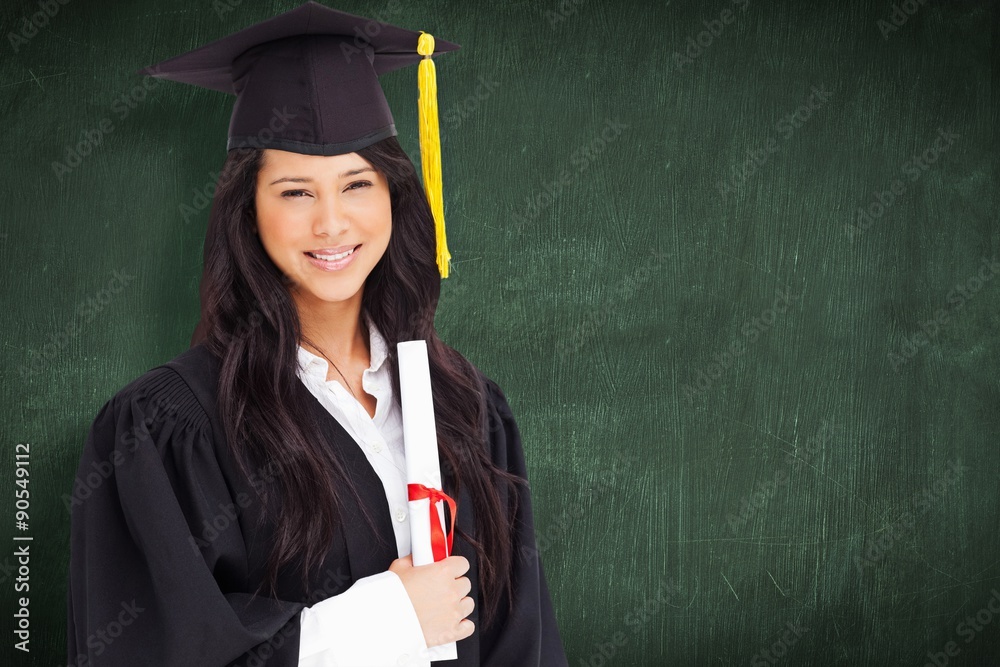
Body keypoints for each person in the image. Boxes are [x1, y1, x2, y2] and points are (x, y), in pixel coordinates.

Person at [65, 3, 568, 665]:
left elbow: (523, 638)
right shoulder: (170, 428)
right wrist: (387, 616)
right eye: (296, 192)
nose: (331, 224)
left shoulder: (468, 404)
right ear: (248, 211)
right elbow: (144, 648)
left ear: (394, 196)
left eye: (357, 183)